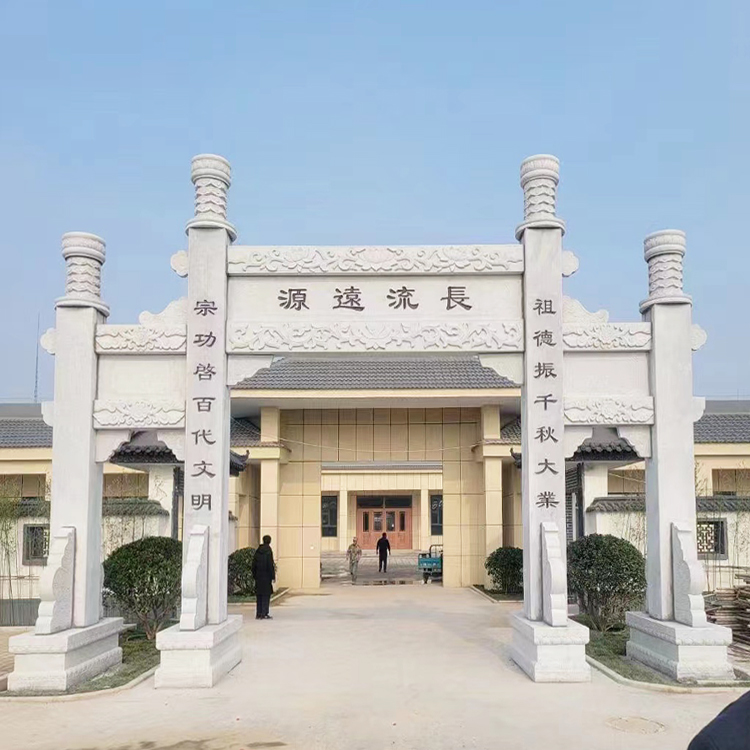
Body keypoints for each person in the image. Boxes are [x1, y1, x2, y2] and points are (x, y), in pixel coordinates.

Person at [251, 535, 276, 620]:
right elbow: (270, 565)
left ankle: (258, 613)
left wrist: (255, 575)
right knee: (266, 595)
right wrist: (272, 576)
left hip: (258, 577)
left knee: (259, 596)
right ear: (269, 541)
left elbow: (253, 564)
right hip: (266, 577)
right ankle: (264, 613)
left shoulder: (258, 551)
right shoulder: (268, 551)